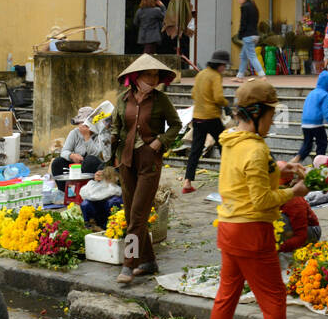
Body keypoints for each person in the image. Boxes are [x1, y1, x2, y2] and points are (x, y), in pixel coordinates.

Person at [204, 80, 317, 319]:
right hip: (253, 231)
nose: (272, 122)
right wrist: (295, 192)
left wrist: (281, 171)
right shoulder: (255, 149)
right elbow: (262, 199)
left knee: (226, 297)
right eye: (270, 115)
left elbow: (247, 180)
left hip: (229, 228)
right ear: (256, 114)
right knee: (274, 300)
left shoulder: (230, 140)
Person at [108, 56, 183, 285]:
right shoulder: (123, 99)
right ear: (136, 77)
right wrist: (110, 149)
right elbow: (117, 126)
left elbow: (177, 125)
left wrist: (160, 141)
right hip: (126, 161)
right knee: (132, 214)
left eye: (156, 75)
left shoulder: (161, 100)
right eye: (148, 75)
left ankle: (129, 263)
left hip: (149, 161)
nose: (153, 79)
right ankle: (148, 261)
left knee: (138, 215)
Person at [182, 50, 229, 194]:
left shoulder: (201, 74)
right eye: (224, 66)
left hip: (197, 118)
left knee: (195, 150)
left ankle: (187, 182)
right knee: (225, 146)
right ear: (220, 65)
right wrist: (227, 105)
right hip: (211, 117)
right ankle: (228, 179)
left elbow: (193, 94)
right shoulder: (215, 76)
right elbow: (218, 97)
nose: (224, 68)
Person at [52, 106, 110, 195]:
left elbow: (95, 154)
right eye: (80, 123)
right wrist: (71, 156)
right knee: (57, 162)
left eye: (85, 123)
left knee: (90, 160)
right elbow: (64, 151)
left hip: (94, 169)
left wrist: (87, 137)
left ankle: (89, 191)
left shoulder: (100, 134)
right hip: (76, 167)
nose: (82, 126)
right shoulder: (74, 133)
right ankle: (64, 192)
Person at [292, 70, 328, 164]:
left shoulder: (312, 92)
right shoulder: (324, 94)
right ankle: (319, 164)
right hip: (316, 123)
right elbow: (326, 111)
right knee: (322, 143)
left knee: (307, 145)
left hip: (305, 123)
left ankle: (296, 159)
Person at [233, 0, 266, 82]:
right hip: (255, 35)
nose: (238, 0)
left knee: (252, 56)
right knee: (243, 56)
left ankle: (262, 75)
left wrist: (240, 34)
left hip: (248, 35)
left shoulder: (245, 7)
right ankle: (239, 76)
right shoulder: (254, 6)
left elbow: (243, 22)